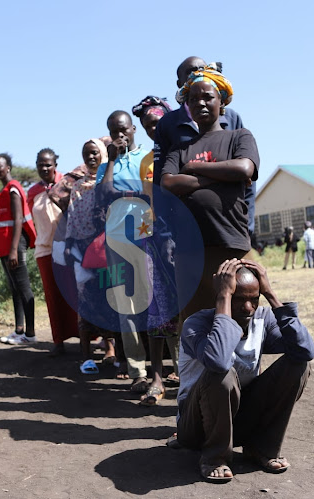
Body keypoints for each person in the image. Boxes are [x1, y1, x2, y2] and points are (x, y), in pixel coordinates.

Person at [174, 259, 314, 482]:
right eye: (238, 298)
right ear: (224, 295)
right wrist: (223, 298)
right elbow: (218, 362)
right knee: (223, 374)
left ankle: (261, 448)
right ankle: (214, 457)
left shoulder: (262, 319)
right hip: (196, 428)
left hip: (240, 421)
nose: (248, 308)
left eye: (254, 299)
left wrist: (271, 295)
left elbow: (305, 350)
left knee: (298, 365)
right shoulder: (197, 324)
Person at [161, 64, 259, 328]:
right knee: (194, 325)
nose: (200, 103)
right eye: (193, 99)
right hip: (189, 249)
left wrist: (194, 168)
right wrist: (218, 176)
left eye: (207, 97)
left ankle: (242, 371)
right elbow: (169, 182)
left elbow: (244, 168)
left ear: (222, 101)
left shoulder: (239, 136)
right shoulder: (179, 148)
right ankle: (199, 371)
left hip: (230, 244)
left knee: (237, 319)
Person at [153, 56, 257, 246]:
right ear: (179, 83)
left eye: (203, 69)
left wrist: (248, 223)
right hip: (188, 234)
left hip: (231, 230)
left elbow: (246, 178)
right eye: (192, 72)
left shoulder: (234, 122)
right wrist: (166, 229)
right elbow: (163, 182)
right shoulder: (168, 124)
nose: (199, 74)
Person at [96, 110, 152, 394]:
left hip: (147, 238)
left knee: (155, 303)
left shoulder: (147, 158)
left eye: (123, 130)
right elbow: (102, 195)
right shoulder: (107, 165)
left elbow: (152, 191)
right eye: (113, 131)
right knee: (126, 307)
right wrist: (111, 161)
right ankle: (137, 370)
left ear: (133, 130)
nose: (119, 136)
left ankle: (169, 368)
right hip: (116, 241)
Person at [132, 95, 180, 405]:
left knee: (187, 309)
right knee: (156, 309)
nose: (153, 129)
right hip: (154, 239)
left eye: (158, 123)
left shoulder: (182, 150)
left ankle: (189, 372)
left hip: (184, 238)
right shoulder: (146, 162)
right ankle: (157, 378)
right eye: (148, 125)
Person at [65, 138, 119, 373]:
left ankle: (111, 350)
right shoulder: (77, 187)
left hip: (110, 249)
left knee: (111, 300)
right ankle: (86, 356)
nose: (91, 157)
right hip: (84, 250)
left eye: (95, 153)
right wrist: (69, 244)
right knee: (85, 300)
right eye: (87, 153)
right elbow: (72, 216)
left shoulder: (110, 181)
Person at [27, 148, 80, 357]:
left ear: (55, 165)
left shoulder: (66, 185)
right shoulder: (32, 192)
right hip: (44, 250)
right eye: (40, 164)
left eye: (48, 164)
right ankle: (58, 340)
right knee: (53, 296)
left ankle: (91, 339)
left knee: (75, 292)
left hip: (67, 247)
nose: (44, 168)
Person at [0, 153, 37, 345]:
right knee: (14, 288)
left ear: (8, 167)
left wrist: (13, 250)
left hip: (14, 246)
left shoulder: (13, 189)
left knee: (23, 287)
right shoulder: (3, 191)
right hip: (4, 247)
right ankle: (19, 330)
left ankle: (31, 334)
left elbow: (18, 219)